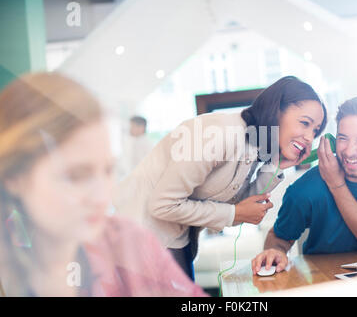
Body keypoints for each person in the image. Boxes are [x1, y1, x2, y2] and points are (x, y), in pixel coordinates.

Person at [0, 72, 206, 297]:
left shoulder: (128, 241)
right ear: (14, 176)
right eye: (76, 176)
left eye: (108, 170)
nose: (101, 197)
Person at [113, 76, 328, 280]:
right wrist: (234, 213)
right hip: (140, 234)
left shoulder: (253, 143)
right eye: (305, 123)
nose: (310, 137)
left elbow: (239, 206)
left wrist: (276, 166)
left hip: (174, 234)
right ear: (277, 110)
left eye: (315, 130)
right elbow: (162, 204)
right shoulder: (218, 134)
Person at [252, 95, 357, 275]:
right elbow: (279, 238)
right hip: (324, 280)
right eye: (343, 138)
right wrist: (274, 252)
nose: (350, 151)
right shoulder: (304, 191)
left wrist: (336, 183)